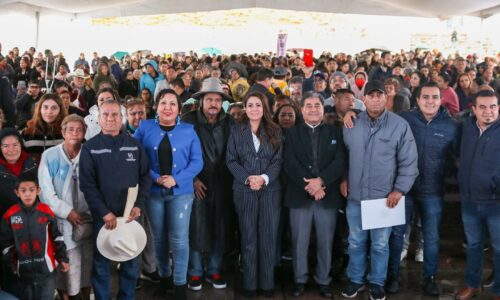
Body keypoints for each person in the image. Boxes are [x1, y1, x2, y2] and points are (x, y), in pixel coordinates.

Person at [341, 80, 418, 300]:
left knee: (380, 244)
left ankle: (377, 281)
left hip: (383, 198)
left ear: (386, 98)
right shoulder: (351, 123)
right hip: (356, 196)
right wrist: (344, 178)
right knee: (355, 242)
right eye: (371, 95)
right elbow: (344, 156)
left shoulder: (399, 125)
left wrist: (400, 189)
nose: (375, 99)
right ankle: (355, 279)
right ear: (363, 99)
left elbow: (409, 161)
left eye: (379, 95)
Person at [387, 83, 459, 296]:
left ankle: (430, 278)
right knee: (397, 234)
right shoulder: (404, 120)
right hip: (404, 189)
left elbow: (456, 156)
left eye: (434, 97)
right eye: (425, 97)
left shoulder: (452, 126)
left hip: (433, 191)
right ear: (417, 100)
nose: (430, 101)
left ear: (441, 99)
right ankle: (392, 276)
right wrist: (352, 112)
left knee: (432, 237)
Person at [133, 88, 203, 300]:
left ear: (179, 109)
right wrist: (154, 176)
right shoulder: (145, 128)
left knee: (180, 240)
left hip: (181, 193)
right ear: (156, 106)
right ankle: (164, 278)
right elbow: (136, 155)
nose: (168, 107)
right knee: (159, 240)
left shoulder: (189, 130)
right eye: (163, 103)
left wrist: (177, 179)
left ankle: (180, 284)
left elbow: (197, 161)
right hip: (153, 191)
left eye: (173, 104)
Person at [79, 98, 151, 300]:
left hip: (130, 216)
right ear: (99, 119)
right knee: (101, 264)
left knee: (130, 261)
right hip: (104, 218)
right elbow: (87, 185)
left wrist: (138, 206)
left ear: (122, 118)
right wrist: (104, 212)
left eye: (115, 115)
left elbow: (145, 177)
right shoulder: (90, 148)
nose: (110, 118)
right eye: (106, 115)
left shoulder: (134, 146)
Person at [283, 92, 346, 299]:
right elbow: (289, 163)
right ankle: (300, 280)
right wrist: (310, 185)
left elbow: (339, 162)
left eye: (317, 105)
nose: (312, 109)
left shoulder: (335, 132)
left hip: (326, 196)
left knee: (326, 242)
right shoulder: (291, 134)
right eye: (308, 105)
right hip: (300, 195)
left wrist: (321, 182)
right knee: (299, 241)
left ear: (322, 108)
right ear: (301, 110)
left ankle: (324, 280)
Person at [226, 91, 282, 298]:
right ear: (245, 108)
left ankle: (267, 284)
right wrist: (249, 178)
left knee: (268, 237)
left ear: (264, 107)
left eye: (258, 105)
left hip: (270, 191)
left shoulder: (275, 130)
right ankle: (249, 284)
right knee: (248, 237)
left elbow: (278, 160)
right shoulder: (237, 131)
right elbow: (231, 160)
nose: (254, 109)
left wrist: (264, 178)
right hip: (244, 190)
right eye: (250, 105)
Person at [181, 77, 235, 291]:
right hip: (196, 182)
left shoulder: (230, 122)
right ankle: (195, 271)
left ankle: (214, 269)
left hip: (223, 182)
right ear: (201, 100)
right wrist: (191, 178)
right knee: (195, 227)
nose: (213, 103)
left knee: (219, 227)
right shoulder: (188, 120)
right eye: (209, 99)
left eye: (217, 99)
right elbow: (180, 154)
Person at [38, 114, 93, 300]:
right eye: (70, 129)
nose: (75, 133)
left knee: (87, 263)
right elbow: (45, 191)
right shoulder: (49, 156)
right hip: (63, 220)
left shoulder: (90, 154)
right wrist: (67, 212)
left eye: (79, 129)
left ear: (84, 132)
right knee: (67, 264)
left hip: (88, 218)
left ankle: (86, 294)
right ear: (63, 131)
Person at [455, 90, 500, 300]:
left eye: (492, 106)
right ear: (473, 110)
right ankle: (473, 284)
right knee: (473, 245)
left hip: (496, 203)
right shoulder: (466, 128)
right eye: (482, 107)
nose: (488, 112)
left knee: (499, 247)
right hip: (469, 200)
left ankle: (498, 288)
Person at [0, 173, 69, 300]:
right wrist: (11, 266)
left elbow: (57, 237)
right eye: (23, 190)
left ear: (38, 190)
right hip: (22, 274)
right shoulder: (10, 215)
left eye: (32, 190)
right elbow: (5, 244)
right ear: (17, 192)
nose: (27, 194)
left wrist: (63, 259)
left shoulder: (46, 211)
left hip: (46, 271)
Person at [21, 93, 66, 164]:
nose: (49, 112)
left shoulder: (66, 132)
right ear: (39, 109)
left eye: (54, 108)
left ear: (60, 110)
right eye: (45, 107)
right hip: (33, 174)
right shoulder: (27, 132)